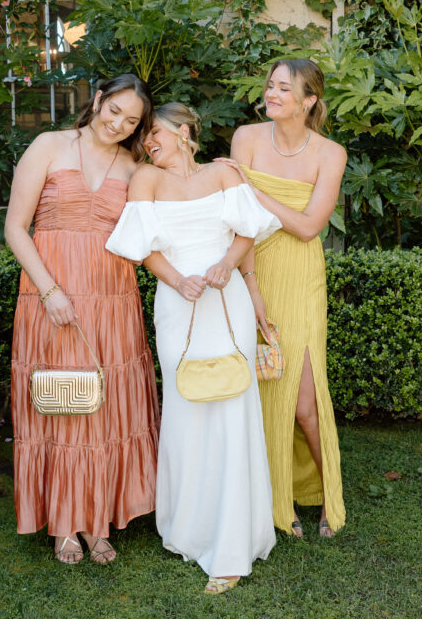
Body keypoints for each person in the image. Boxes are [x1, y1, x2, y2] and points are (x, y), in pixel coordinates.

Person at [106, 102, 280, 594]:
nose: (148, 143)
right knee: (186, 406)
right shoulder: (145, 180)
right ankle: (189, 528)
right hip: (178, 302)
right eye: (145, 138)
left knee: (232, 406)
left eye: (156, 132)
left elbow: (249, 230)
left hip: (228, 303)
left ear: (184, 132)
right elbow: (144, 248)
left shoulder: (222, 174)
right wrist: (179, 280)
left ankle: (232, 540)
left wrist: (227, 265)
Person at [5, 74, 160, 565]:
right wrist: (49, 290)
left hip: (113, 299)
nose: (118, 124)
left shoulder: (135, 165)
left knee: (103, 403)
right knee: (63, 401)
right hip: (51, 295)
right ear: (97, 100)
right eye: (113, 110)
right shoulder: (49, 145)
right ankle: (65, 522)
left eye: (131, 120)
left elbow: (166, 212)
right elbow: (15, 226)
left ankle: (97, 520)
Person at [226, 58, 347, 539]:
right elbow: (238, 221)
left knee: (302, 399)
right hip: (250, 267)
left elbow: (308, 226)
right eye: (270, 85)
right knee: (256, 387)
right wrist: (250, 285)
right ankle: (273, 500)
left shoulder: (330, 154)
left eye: (283, 88)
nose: (271, 93)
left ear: (309, 100)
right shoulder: (246, 137)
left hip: (299, 273)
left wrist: (252, 190)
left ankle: (325, 494)